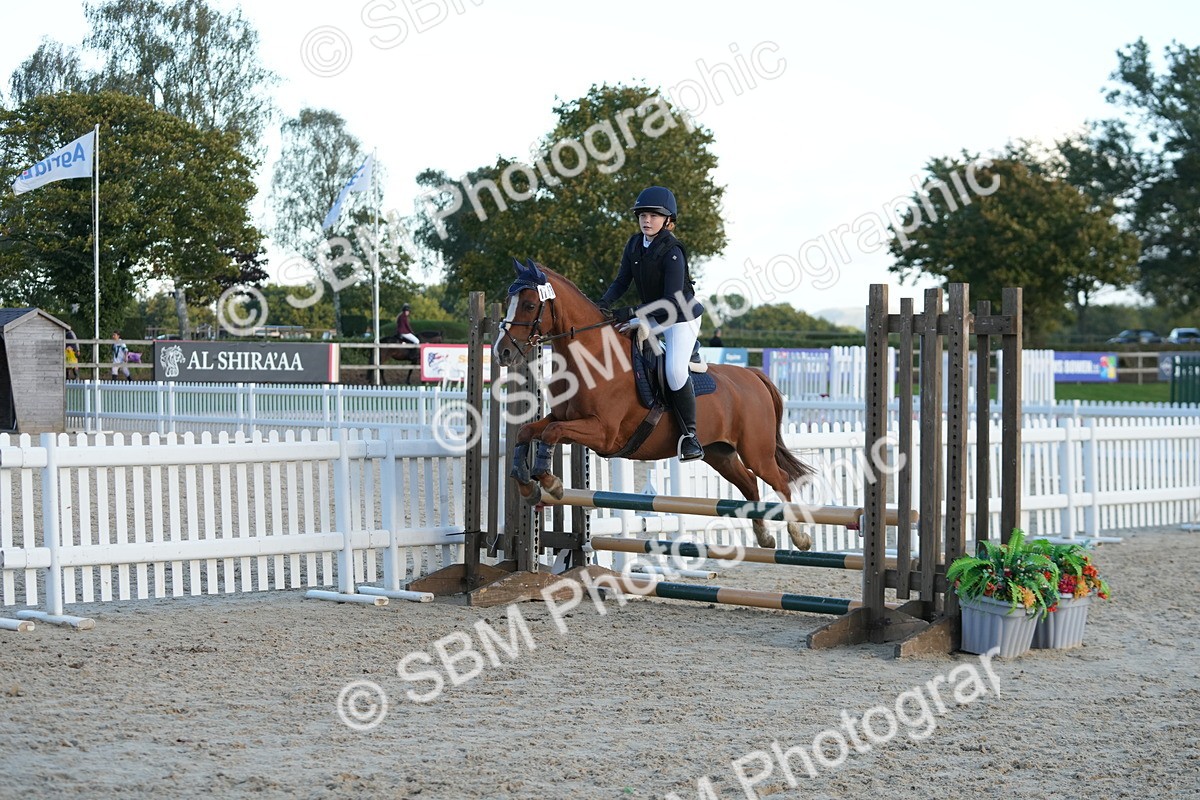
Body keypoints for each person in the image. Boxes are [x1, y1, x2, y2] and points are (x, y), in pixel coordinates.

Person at [597, 186, 706, 461]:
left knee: (674, 371)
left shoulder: (673, 251)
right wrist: (602, 304)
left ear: (668, 221)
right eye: (643, 215)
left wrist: (633, 312)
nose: (647, 220)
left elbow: (671, 301)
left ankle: (690, 437)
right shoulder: (634, 244)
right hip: (653, 314)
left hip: (680, 317)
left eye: (654, 216)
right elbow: (622, 281)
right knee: (624, 342)